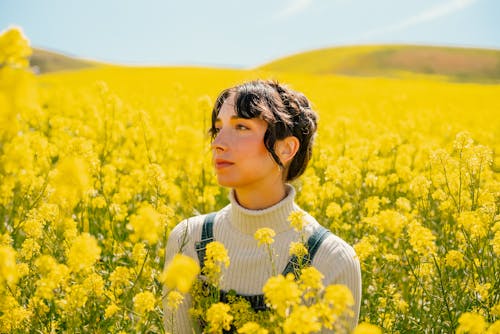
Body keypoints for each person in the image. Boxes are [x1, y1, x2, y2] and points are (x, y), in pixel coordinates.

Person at [163, 80, 361, 333]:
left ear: (286, 148)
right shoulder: (188, 239)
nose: (217, 143)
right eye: (217, 129)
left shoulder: (331, 259)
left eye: (241, 127)